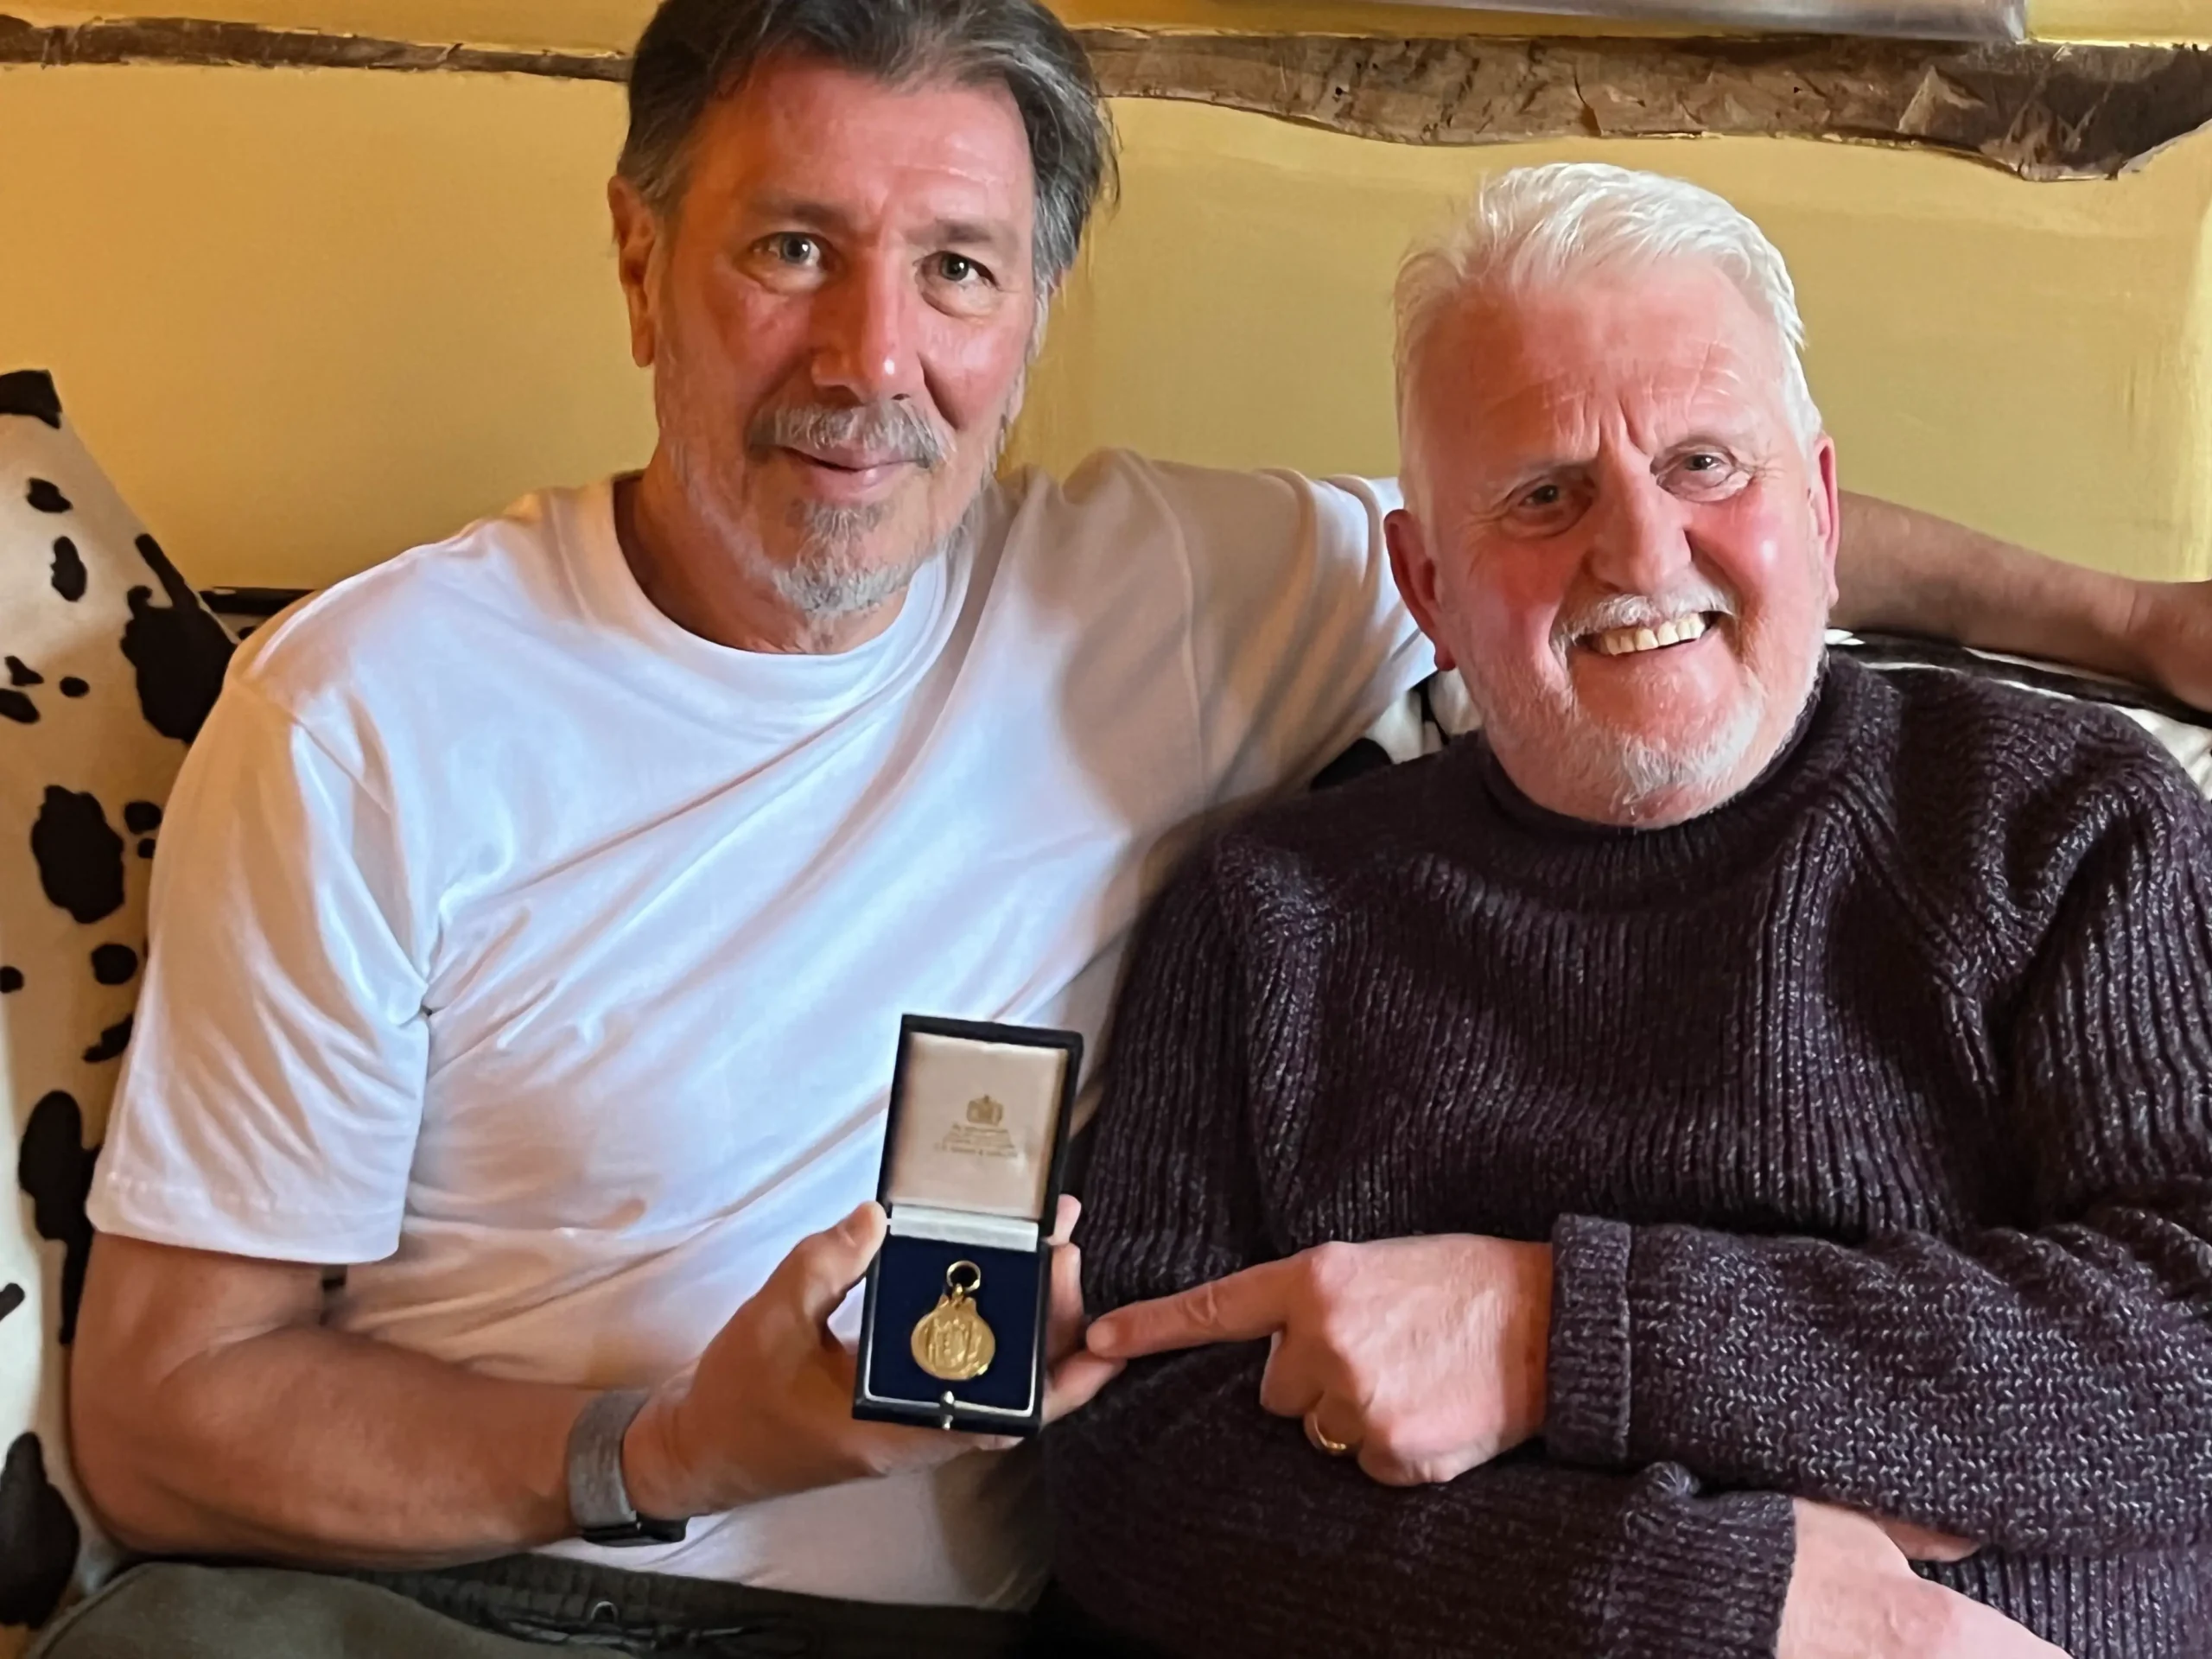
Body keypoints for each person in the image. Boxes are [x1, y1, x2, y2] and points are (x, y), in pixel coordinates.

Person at [45, 0, 2212, 1651]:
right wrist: (667, 1448)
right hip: (472, 1599)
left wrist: (2124, 619)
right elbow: (157, 1426)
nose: (872, 357)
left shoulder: (1156, 593)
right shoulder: (362, 717)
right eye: (790, 248)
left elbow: (1641, 522)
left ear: (1031, 314)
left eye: (956, 270)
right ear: (637, 261)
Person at [1052, 161, 2212, 1659]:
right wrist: (1709, 1593)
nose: (1643, 552)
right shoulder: (1269, 917)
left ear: (1822, 506)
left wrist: (1553, 1333)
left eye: (1705, 463)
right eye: (1545, 493)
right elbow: (1132, 1468)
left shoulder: (2068, 818)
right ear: (1427, 583)